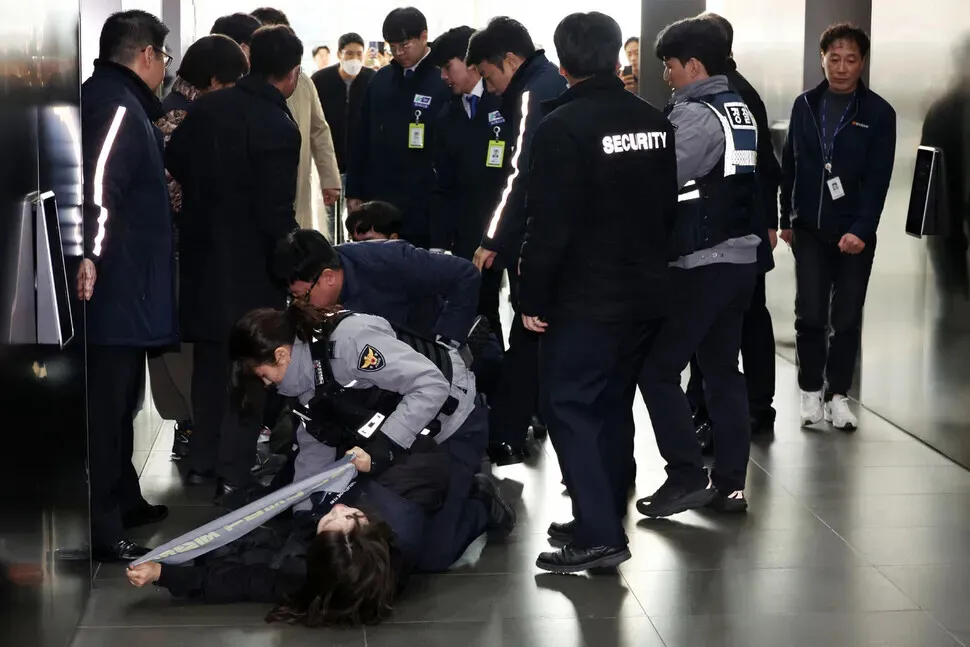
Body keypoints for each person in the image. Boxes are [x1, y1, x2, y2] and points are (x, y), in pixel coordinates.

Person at [517, 12, 677, 573]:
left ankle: (602, 535)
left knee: (570, 406)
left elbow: (548, 226)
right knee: (610, 404)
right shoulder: (655, 120)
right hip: (648, 290)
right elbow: (667, 209)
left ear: (562, 65)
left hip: (585, 297)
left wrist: (531, 298)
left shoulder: (561, 127)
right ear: (617, 59)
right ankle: (597, 514)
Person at [232, 303, 512, 572]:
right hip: (405, 441)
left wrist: (383, 449)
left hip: (454, 423)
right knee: (388, 541)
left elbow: (430, 384)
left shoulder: (349, 343)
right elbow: (316, 445)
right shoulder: (302, 379)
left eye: (264, 375)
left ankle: (482, 500)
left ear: (281, 354)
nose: (267, 385)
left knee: (433, 556)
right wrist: (308, 516)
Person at [166, 24, 303, 501]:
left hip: (203, 258)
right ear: (292, 73)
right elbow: (276, 211)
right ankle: (235, 473)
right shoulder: (278, 124)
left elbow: (177, 158)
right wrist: (289, 265)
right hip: (251, 269)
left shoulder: (206, 107)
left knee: (208, 366)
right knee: (250, 369)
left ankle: (203, 461)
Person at [635, 17, 760, 519]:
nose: (667, 76)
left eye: (669, 66)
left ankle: (685, 474)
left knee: (658, 370)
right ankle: (729, 485)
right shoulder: (738, 107)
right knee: (721, 372)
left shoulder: (696, 116)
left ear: (693, 65)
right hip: (739, 259)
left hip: (702, 262)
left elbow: (657, 179)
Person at [77, 9, 175, 562]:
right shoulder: (115, 105)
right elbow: (98, 184)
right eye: (163, 55)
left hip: (127, 284)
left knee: (124, 403)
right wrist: (89, 251)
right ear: (145, 55)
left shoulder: (123, 101)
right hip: (111, 285)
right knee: (107, 406)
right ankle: (102, 524)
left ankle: (124, 497)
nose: (164, 66)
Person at [780, 23, 896, 431]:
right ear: (822, 59)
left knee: (845, 318)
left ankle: (838, 395)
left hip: (855, 234)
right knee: (810, 314)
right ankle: (810, 391)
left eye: (850, 59)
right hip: (809, 229)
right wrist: (786, 218)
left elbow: (880, 178)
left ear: (862, 62)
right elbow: (790, 164)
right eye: (834, 58)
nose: (842, 67)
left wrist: (862, 230)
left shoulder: (879, 113)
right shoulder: (805, 104)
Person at [465, 16, 567, 464]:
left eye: (488, 76)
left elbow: (519, 176)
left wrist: (492, 239)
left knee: (529, 334)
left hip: (538, 239)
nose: (489, 88)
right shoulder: (547, 84)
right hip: (551, 236)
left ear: (510, 59)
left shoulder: (532, 93)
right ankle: (517, 425)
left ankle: (508, 432)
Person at [684, 12, 782, 445]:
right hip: (746, 228)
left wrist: (772, 222)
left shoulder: (728, 99)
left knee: (732, 324)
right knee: (743, 319)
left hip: (731, 232)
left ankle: (741, 408)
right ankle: (743, 407)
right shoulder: (737, 94)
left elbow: (763, 168)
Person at [153, 34, 250, 461]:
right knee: (183, 349)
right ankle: (194, 430)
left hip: (182, 246)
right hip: (177, 248)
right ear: (214, 80)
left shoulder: (187, 109)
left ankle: (196, 430)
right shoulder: (180, 116)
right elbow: (175, 192)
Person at [345, 7, 451, 249]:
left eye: (405, 44)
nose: (398, 52)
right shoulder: (380, 80)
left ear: (424, 36)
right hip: (381, 201)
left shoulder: (442, 79)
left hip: (424, 200)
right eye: (392, 46)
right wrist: (355, 190)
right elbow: (361, 137)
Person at [430, 25, 509, 343]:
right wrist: (439, 241)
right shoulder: (447, 114)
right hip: (466, 234)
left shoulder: (506, 104)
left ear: (471, 62)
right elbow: (442, 184)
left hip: (507, 228)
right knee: (475, 312)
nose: (444, 78)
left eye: (448, 67)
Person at [274, 225, 480, 344]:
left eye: (304, 296)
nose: (300, 304)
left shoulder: (391, 261)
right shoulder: (319, 273)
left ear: (328, 278)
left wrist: (448, 342)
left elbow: (465, 274)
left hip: (430, 347)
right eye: (293, 297)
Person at [251, 8, 341, 234]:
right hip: (259, 183)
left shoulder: (303, 82)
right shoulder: (245, 83)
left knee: (294, 234)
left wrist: (329, 177)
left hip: (297, 176)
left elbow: (319, 129)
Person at [311, 32, 376, 240]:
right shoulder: (321, 80)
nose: (354, 59)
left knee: (360, 214)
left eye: (359, 54)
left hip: (361, 163)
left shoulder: (372, 80)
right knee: (329, 216)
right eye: (349, 54)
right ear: (339, 54)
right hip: (330, 161)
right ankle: (331, 253)